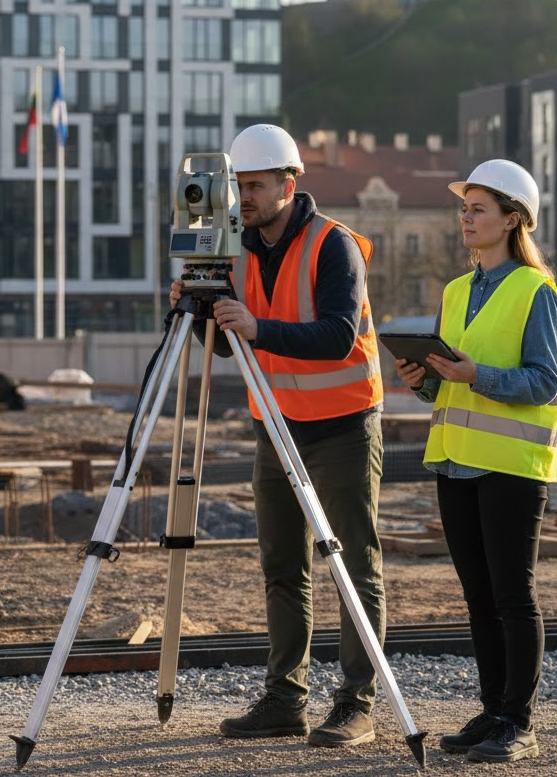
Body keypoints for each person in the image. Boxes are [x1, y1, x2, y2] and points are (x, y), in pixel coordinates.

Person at [169, 123, 386, 749]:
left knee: (351, 565)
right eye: (239, 186)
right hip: (275, 424)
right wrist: (202, 309)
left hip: (343, 426)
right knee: (281, 565)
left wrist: (257, 327)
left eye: (257, 185)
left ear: (289, 184)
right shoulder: (236, 249)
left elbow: (337, 335)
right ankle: (286, 699)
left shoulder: (332, 244)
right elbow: (229, 348)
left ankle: (357, 704)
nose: (246, 196)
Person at [393, 159, 557, 764]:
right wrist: (424, 379)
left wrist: (476, 375)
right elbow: (449, 388)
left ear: (513, 219)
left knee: (513, 596)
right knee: (478, 596)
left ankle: (518, 721)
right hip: (455, 460)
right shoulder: (455, 291)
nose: (465, 218)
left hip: (513, 465)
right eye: (463, 208)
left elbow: (545, 383)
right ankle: (492, 708)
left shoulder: (537, 291)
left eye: (478, 209)